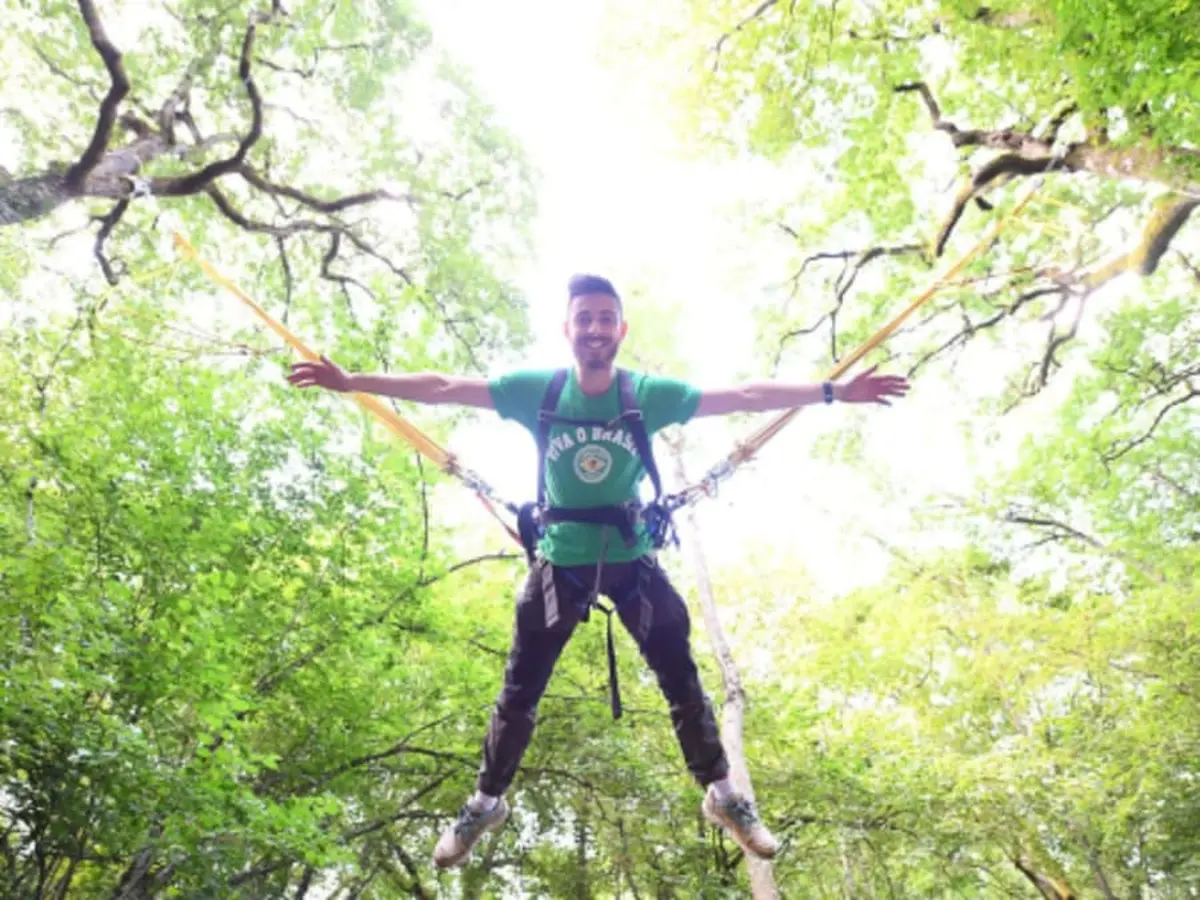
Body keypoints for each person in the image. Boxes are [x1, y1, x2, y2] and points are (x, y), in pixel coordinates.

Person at [287, 274, 909, 868]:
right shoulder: (541, 391)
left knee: (680, 675)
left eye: (605, 318)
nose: (595, 328)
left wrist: (833, 392)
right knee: (518, 692)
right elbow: (445, 385)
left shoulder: (646, 395)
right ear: (568, 329)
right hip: (561, 563)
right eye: (584, 318)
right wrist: (351, 382)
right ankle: (485, 804)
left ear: (621, 330)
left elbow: (745, 397)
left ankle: (723, 795)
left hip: (631, 558)